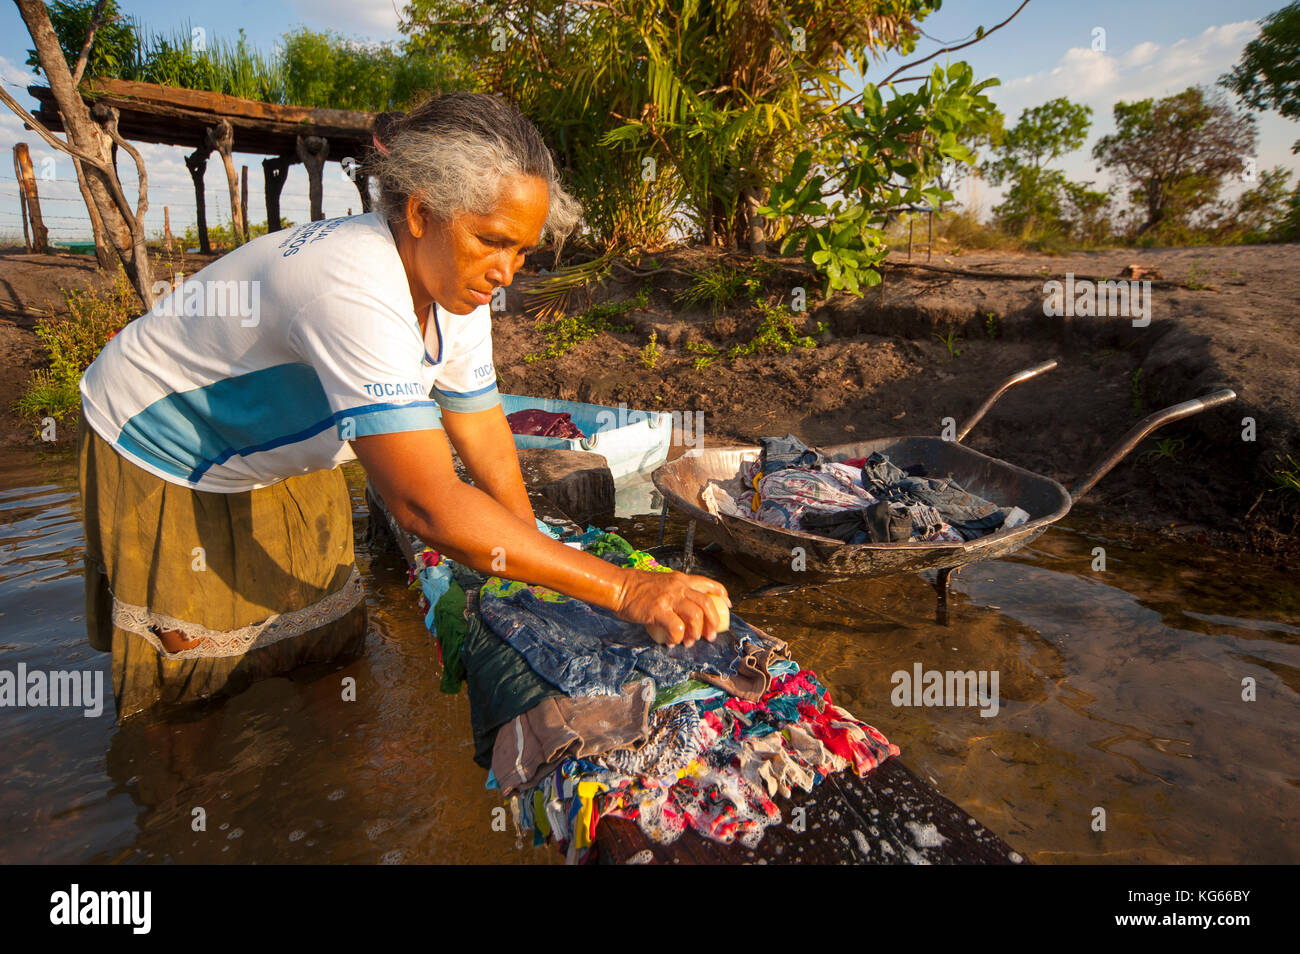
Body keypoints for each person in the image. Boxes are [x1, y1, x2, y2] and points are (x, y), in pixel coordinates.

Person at [77, 91, 728, 721]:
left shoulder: (456, 283)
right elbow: (425, 505)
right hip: (166, 441)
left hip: (284, 450)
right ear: (421, 214)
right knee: (198, 682)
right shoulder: (349, 282)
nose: (508, 272)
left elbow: (483, 434)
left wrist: (531, 553)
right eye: (494, 240)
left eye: (522, 251)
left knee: (321, 642)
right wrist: (625, 588)